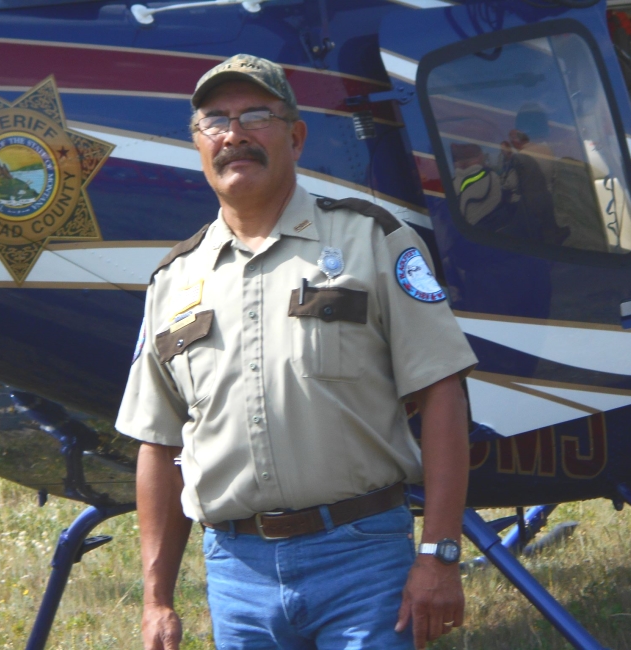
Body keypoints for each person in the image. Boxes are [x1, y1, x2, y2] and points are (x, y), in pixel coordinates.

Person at [116, 53, 478, 650]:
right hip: (237, 573)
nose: (234, 135)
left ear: (296, 135)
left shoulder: (373, 239)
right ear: (198, 144)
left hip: (361, 557)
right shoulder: (174, 280)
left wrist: (439, 553)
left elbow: (443, 391)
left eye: (256, 115)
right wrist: (157, 599)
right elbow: (158, 441)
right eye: (215, 121)